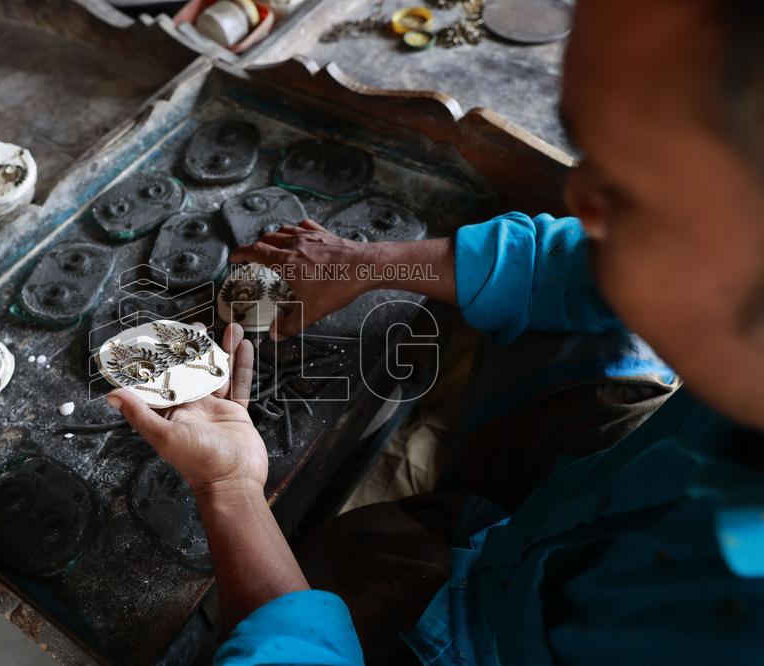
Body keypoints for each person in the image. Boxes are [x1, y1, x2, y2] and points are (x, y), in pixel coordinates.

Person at [106, 0, 764, 662]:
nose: (578, 199)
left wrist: (231, 491)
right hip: (577, 522)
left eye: (631, 184)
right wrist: (362, 262)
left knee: (313, 578)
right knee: (589, 313)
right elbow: (580, 262)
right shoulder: (727, 253)